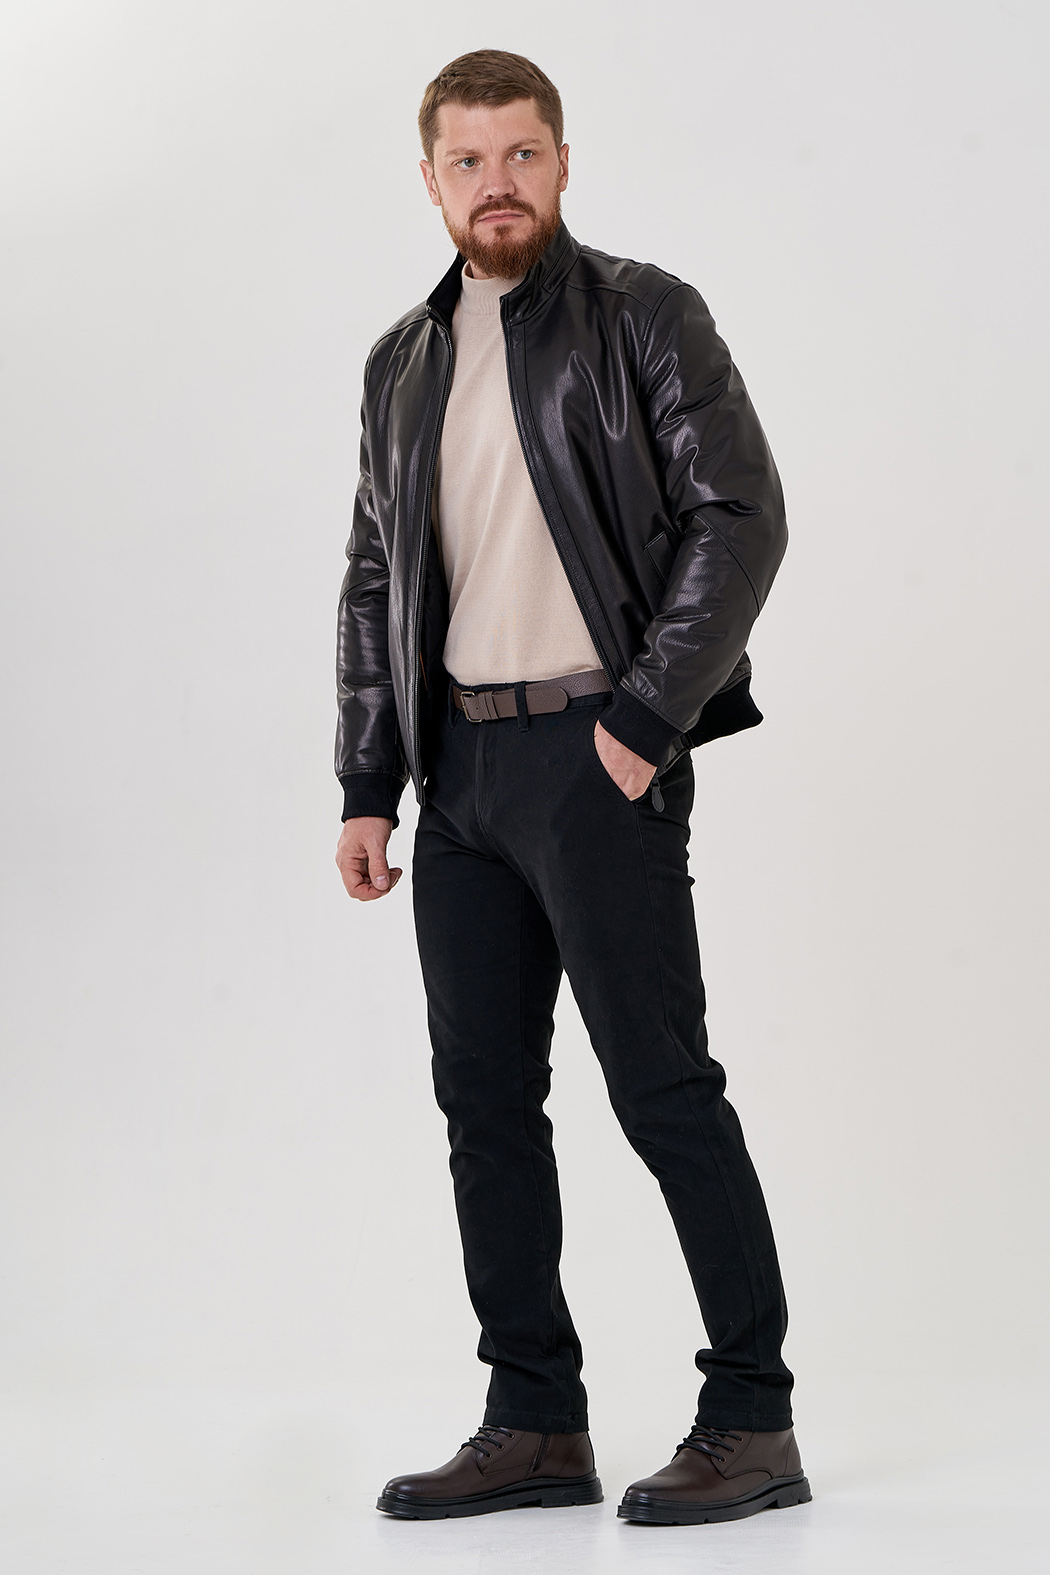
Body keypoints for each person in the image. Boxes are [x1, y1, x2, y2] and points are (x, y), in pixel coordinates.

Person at [335, 49, 809, 1527]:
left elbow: (740, 514)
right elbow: (374, 574)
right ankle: (534, 1419)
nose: (498, 184)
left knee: (661, 1088)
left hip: (598, 751)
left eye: (522, 154)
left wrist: (645, 718)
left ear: (560, 161)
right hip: (459, 774)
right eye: (468, 160)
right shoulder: (401, 362)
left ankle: (753, 1418)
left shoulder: (643, 315)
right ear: (430, 180)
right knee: (484, 1104)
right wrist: (368, 779)